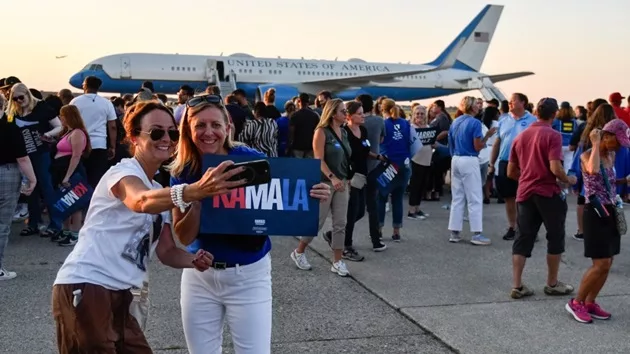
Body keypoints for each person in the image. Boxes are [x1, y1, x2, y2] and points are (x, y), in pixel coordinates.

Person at [52, 101, 247, 353]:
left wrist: (194, 260)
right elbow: (139, 200)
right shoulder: (121, 173)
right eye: (156, 132)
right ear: (133, 137)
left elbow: (167, 251)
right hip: (88, 286)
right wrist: (194, 190)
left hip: (123, 296)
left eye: (172, 133)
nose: (165, 138)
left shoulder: (158, 190)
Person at [168, 94, 330, 354]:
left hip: (248, 274)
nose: (208, 132)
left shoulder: (250, 159)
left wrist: (319, 195)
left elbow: (287, 201)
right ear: (188, 129)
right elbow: (184, 237)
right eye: (200, 125)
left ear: (227, 128)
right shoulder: (182, 171)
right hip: (200, 277)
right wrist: (198, 196)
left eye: (215, 125)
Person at [507, 98, 576, 299]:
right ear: (554, 115)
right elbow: (555, 167)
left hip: (525, 192)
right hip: (548, 193)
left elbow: (511, 171)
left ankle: (517, 285)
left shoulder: (521, 137)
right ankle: (552, 283)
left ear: (536, 112)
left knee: (523, 237)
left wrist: (528, 177)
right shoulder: (553, 135)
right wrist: (568, 179)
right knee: (555, 236)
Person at [566, 119, 630, 323]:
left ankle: (590, 302)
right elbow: (592, 170)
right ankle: (576, 302)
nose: (618, 146)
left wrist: (624, 181)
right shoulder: (587, 155)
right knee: (600, 263)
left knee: (608, 262)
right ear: (606, 136)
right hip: (595, 212)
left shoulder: (611, 154)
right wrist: (595, 144)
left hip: (610, 209)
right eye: (616, 141)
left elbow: (606, 182)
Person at [292, 98, 352, 276]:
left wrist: (345, 178)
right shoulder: (321, 132)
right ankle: (299, 252)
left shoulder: (344, 132)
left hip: (342, 182)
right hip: (325, 182)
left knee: (340, 223)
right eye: (342, 111)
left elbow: (346, 158)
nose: (345, 114)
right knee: (317, 222)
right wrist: (332, 177)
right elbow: (318, 160)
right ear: (333, 113)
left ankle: (338, 261)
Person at [447, 97, 495, 245]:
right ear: (472, 107)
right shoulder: (475, 123)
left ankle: (455, 232)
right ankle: (476, 234)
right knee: (474, 197)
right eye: (476, 105)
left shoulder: (456, 121)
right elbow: (477, 146)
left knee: (458, 197)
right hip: (469, 159)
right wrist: (488, 136)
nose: (479, 107)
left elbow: (451, 143)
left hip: (456, 158)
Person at [0, 98, 36, 280]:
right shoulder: (10, 127)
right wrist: (32, 179)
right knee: (2, 223)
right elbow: (23, 158)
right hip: (6, 173)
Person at [49, 105, 92, 246]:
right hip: (60, 169)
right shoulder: (69, 132)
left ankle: (75, 234)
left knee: (75, 204)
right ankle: (66, 230)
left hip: (72, 170)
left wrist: (68, 176)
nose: (61, 118)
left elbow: (76, 155)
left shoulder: (78, 133)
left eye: (62, 115)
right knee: (64, 203)